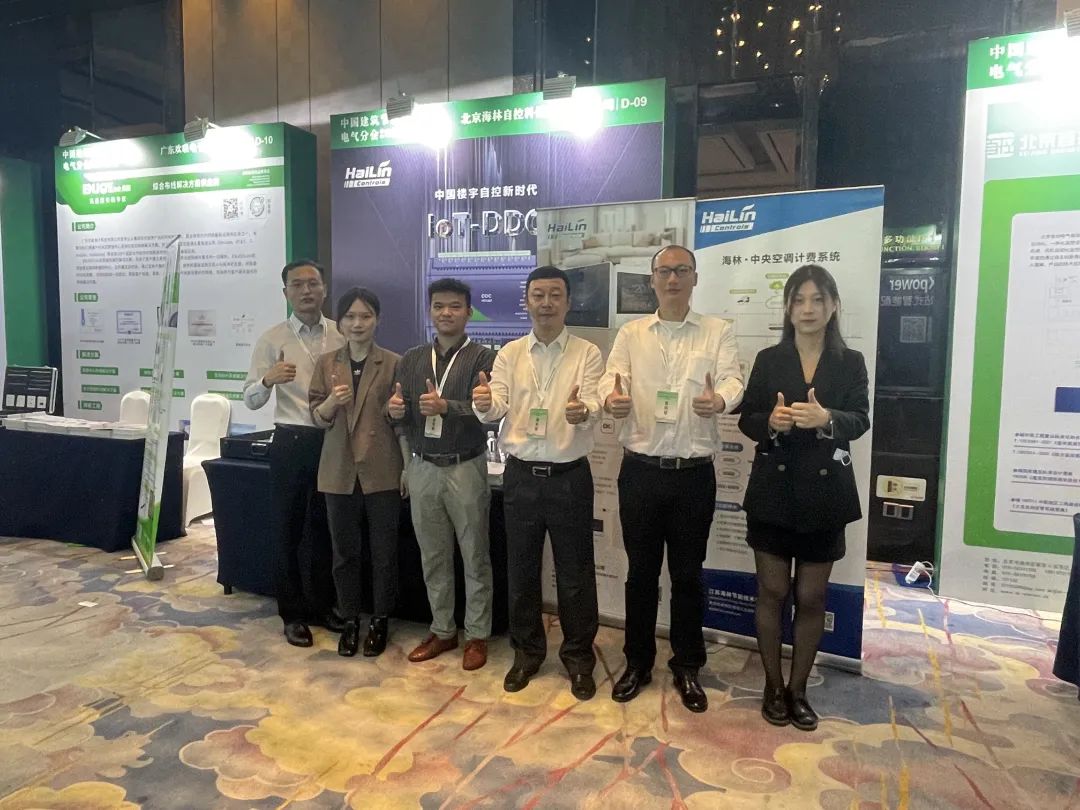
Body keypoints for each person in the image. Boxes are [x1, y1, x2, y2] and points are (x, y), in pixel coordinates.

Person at [598, 244, 744, 714]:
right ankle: (637, 662)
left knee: (687, 576)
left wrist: (720, 401)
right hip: (640, 472)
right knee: (640, 574)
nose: (673, 279)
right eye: (664, 271)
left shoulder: (717, 330)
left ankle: (687, 666)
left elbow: (733, 380)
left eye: (682, 271)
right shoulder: (631, 333)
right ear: (652, 280)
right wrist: (610, 400)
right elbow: (610, 380)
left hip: (692, 476)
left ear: (695, 278)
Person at [738, 264, 869, 731]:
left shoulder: (850, 361)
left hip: (825, 494)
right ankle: (773, 686)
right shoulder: (769, 358)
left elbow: (860, 419)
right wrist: (770, 423)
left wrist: (827, 418)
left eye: (817, 299)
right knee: (772, 591)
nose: (808, 309)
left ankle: (799, 690)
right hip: (774, 490)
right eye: (799, 300)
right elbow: (748, 418)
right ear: (788, 307)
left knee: (812, 596)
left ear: (833, 306)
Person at [472, 265, 603, 700]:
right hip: (522, 476)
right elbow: (496, 405)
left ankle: (579, 659)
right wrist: (485, 403)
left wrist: (585, 411)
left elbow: (594, 401)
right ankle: (526, 654)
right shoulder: (510, 353)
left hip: (569, 477)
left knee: (575, 574)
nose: (546, 303)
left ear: (568, 302)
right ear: (526, 301)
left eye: (554, 295)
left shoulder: (587, 352)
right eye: (538, 295)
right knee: (522, 570)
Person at [388, 278, 497, 671]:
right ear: (430, 311)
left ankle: (477, 635)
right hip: (422, 466)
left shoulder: (485, 359)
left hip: (465, 466)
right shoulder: (412, 359)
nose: (446, 313)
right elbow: (400, 416)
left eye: (454, 306)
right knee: (433, 556)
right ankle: (443, 630)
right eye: (438, 306)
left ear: (468, 312)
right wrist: (395, 411)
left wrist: (447, 407)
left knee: (474, 554)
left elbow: (490, 414)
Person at [243, 259, 345, 647]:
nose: (306, 291)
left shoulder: (340, 335)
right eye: (297, 285)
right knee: (288, 529)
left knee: (324, 529)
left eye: (313, 283)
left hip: (332, 441)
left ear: (324, 289)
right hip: (290, 441)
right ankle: (292, 614)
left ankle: (322, 606)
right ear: (285, 292)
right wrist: (267, 380)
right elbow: (250, 398)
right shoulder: (272, 340)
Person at [309, 287, 407, 657]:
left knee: (384, 553)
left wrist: (397, 415)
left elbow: (401, 419)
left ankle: (380, 620)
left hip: (382, 468)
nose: (357, 323)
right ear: (340, 323)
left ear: (377, 320)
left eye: (365, 316)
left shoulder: (394, 362)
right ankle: (349, 619)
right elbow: (317, 417)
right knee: (344, 553)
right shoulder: (326, 363)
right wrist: (332, 402)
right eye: (350, 316)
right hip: (338, 470)